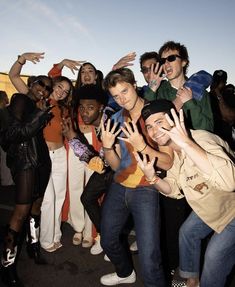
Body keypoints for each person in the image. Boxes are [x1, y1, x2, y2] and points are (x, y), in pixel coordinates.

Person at [136, 99, 235, 287]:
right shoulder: (174, 153)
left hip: (233, 212)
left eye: (159, 122)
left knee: (213, 256)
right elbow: (173, 190)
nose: (154, 131)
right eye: (149, 126)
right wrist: (153, 178)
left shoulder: (202, 140)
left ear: (175, 119)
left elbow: (230, 182)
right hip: (215, 208)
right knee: (187, 233)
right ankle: (192, 281)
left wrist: (187, 144)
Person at [99, 68, 174, 286]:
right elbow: (116, 165)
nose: (122, 99)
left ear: (134, 85)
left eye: (125, 91)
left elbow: (167, 162)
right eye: (116, 95)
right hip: (120, 185)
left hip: (147, 187)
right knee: (108, 239)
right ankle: (125, 273)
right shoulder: (115, 119)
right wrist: (107, 148)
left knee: (150, 257)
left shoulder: (155, 113)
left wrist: (143, 146)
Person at [0, 52, 53, 286]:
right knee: (20, 212)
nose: (45, 89)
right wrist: (41, 114)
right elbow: (15, 134)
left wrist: (41, 111)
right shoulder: (21, 100)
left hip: (40, 161)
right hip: (25, 163)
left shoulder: (37, 104)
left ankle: (32, 247)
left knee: (36, 207)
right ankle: (6, 264)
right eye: (41, 84)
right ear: (31, 84)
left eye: (48, 87)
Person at [62, 84, 114, 256]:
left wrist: (73, 139)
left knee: (112, 209)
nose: (84, 112)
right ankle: (105, 236)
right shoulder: (101, 120)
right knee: (87, 197)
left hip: (124, 173)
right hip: (108, 168)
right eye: (82, 107)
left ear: (101, 108)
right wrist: (74, 138)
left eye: (90, 108)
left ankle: (112, 247)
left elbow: (100, 165)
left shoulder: (110, 123)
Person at [39, 75, 73, 252]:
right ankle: (45, 240)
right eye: (60, 87)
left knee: (60, 196)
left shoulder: (64, 110)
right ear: (53, 84)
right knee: (48, 199)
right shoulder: (42, 101)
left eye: (66, 91)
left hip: (60, 154)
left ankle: (55, 235)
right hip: (44, 156)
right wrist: (61, 63)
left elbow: (67, 134)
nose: (62, 92)